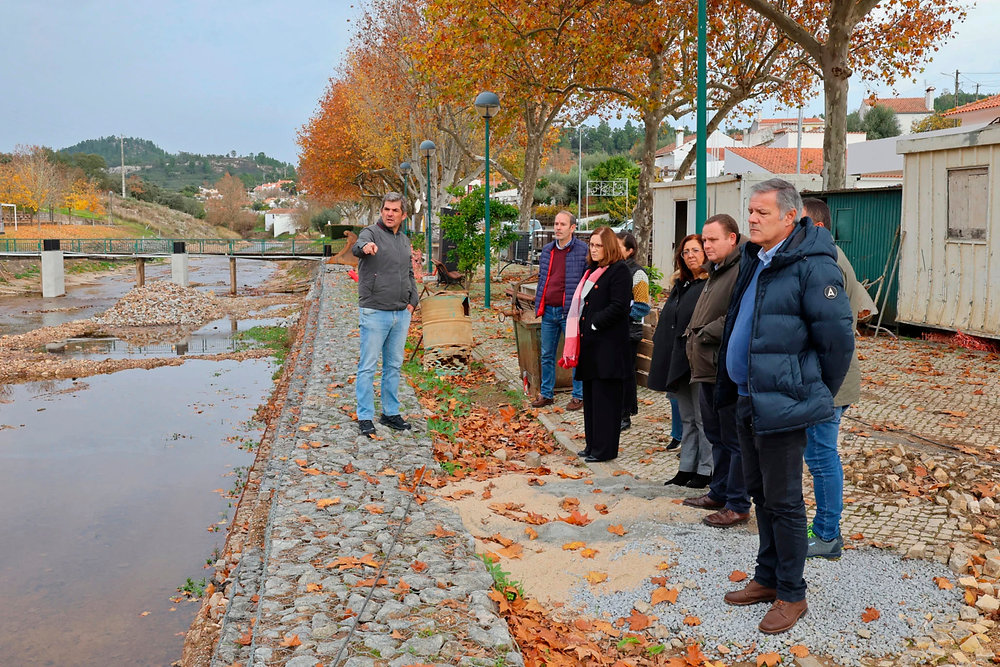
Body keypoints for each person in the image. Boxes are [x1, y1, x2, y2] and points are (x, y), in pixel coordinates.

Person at [716, 178, 854, 634]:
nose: (751, 218)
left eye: (761, 213)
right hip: (748, 397)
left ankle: (793, 593)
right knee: (760, 494)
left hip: (783, 402)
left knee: (785, 500)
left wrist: (807, 391)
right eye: (750, 211)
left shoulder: (814, 266)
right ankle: (768, 576)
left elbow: (837, 341)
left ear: (789, 217)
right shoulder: (758, 258)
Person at [801, 198, 878, 559]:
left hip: (828, 381)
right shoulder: (828, 255)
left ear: (815, 226)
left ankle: (828, 534)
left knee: (821, 457)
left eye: (795, 221)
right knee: (819, 455)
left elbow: (831, 332)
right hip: (826, 379)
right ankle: (823, 527)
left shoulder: (826, 261)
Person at [682, 214, 751, 528]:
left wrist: (704, 333)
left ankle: (738, 504)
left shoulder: (740, 270)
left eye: (713, 240)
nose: (706, 245)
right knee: (716, 435)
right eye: (704, 239)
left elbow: (737, 316)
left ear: (732, 239)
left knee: (734, 439)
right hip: (707, 368)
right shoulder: (716, 271)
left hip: (725, 368)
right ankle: (719, 491)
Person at [560, 226, 632, 462]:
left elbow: (619, 305)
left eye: (599, 245)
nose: (594, 249)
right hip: (590, 348)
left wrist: (594, 323)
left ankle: (604, 450)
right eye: (591, 244)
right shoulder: (592, 270)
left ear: (609, 246)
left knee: (606, 402)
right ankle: (592, 445)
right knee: (591, 401)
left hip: (608, 348)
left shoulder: (619, 271)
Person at [352, 192, 419, 437]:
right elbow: (358, 246)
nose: (389, 214)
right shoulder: (370, 233)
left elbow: (409, 272)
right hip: (374, 311)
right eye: (386, 209)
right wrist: (365, 248)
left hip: (401, 314)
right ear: (381, 211)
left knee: (393, 366)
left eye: (395, 210)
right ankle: (365, 416)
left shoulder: (404, 240)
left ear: (403, 215)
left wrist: (413, 301)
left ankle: (390, 413)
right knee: (368, 366)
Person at [648, 234, 711, 488]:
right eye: (686, 252)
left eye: (695, 250)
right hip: (678, 359)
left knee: (702, 418)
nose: (690, 256)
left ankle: (706, 469)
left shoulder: (709, 285)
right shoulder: (681, 285)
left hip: (699, 360)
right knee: (686, 417)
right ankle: (686, 466)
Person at [533, 210, 588, 410]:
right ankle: (546, 394)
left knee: (573, 354)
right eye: (556, 224)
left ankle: (578, 396)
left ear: (572, 228)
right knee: (546, 354)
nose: (557, 227)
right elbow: (543, 279)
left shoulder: (583, 250)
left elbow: (587, 281)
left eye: (562, 224)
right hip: (549, 310)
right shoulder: (548, 250)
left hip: (570, 312)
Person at [616, 231, 651, 431]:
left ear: (630, 251)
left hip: (629, 332)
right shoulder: (611, 269)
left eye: (619, 246)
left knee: (625, 373)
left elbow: (641, 307)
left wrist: (619, 314)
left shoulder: (637, 274)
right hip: (614, 332)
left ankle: (625, 414)